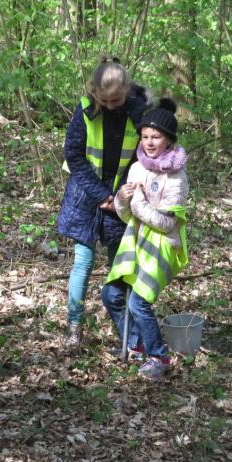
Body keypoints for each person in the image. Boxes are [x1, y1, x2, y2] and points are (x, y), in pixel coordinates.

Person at [57, 57, 150, 346]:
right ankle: (74, 325)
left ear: (127, 91)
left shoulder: (139, 111)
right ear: (94, 93)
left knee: (118, 265)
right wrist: (101, 196)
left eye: (117, 99)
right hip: (86, 196)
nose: (111, 105)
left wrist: (121, 196)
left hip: (124, 198)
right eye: (105, 100)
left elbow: (148, 155)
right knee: (83, 262)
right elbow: (74, 155)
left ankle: (122, 329)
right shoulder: (85, 109)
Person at [102, 98, 189, 380]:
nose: (150, 142)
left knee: (138, 302)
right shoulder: (138, 166)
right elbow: (127, 215)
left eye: (157, 137)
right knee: (111, 293)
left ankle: (158, 356)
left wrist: (137, 205)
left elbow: (166, 222)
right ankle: (136, 343)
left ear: (168, 140)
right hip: (135, 240)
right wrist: (121, 200)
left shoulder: (177, 176)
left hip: (164, 246)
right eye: (146, 136)